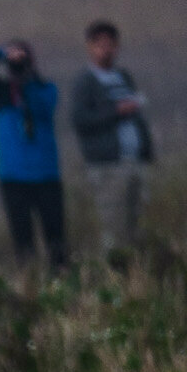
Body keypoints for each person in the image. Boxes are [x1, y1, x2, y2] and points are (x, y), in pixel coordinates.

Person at [0, 39, 67, 269]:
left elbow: (42, 106)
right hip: (14, 178)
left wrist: (28, 77)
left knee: (56, 238)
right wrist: (3, 53)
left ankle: (61, 281)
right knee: (23, 241)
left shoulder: (46, 89)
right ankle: (30, 285)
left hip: (46, 176)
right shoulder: (2, 93)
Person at [70, 20, 155, 256]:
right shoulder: (85, 82)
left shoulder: (124, 76)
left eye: (111, 45)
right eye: (101, 45)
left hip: (134, 160)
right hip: (108, 165)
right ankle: (116, 275)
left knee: (137, 226)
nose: (107, 50)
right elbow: (80, 121)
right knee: (115, 227)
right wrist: (117, 111)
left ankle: (138, 275)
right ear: (90, 47)